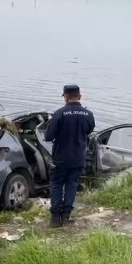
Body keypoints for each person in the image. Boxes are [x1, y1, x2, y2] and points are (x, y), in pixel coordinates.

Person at [44, 85, 95, 227]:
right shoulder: (88, 115)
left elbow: (48, 137)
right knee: (72, 185)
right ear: (79, 96)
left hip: (60, 157)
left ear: (65, 98)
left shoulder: (59, 114)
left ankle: (55, 219)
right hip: (78, 157)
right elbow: (89, 130)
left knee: (56, 184)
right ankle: (66, 216)